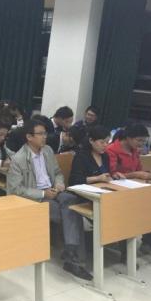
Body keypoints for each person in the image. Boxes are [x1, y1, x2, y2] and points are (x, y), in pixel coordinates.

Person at [7, 119, 91, 280]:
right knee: (72, 214)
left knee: (71, 202)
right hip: (36, 198)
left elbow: (58, 172)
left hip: (54, 191)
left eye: (45, 133)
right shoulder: (19, 159)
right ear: (29, 137)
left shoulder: (47, 151)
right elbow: (15, 190)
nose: (45, 137)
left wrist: (59, 184)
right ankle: (75, 261)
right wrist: (43, 194)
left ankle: (70, 252)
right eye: (40, 134)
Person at [106, 123, 151, 262]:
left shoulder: (134, 151)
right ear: (128, 137)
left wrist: (148, 172)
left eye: (143, 141)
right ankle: (149, 245)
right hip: (116, 191)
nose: (141, 144)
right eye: (139, 140)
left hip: (133, 189)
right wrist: (135, 174)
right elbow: (112, 174)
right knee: (142, 208)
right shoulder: (112, 150)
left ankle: (150, 244)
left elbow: (138, 169)